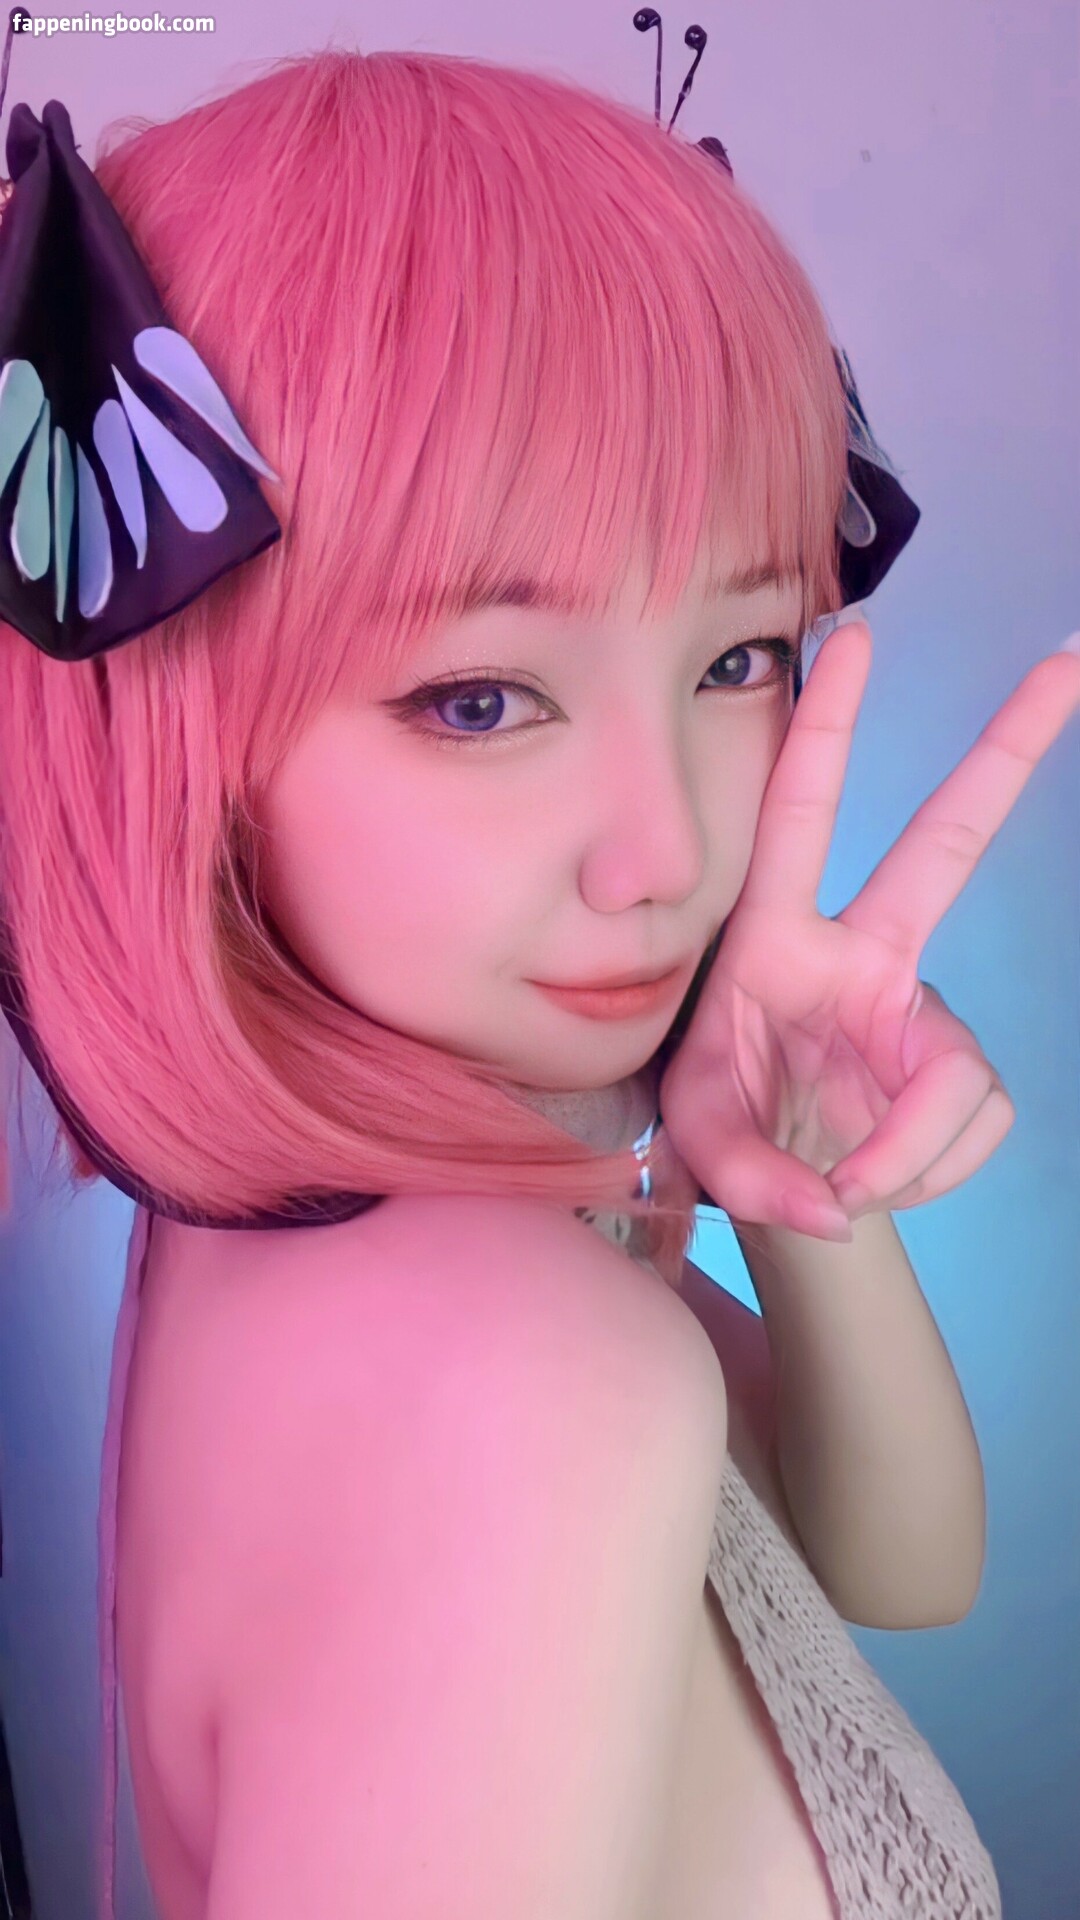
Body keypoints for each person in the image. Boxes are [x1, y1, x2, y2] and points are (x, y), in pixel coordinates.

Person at [0, 38, 1076, 1920]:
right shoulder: (517, 1384)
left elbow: (895, 1567)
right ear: (186, 735)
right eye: (481, 701)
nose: (664, 852)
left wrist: (799, 1167)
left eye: (738, 660)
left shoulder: (422, 1243)